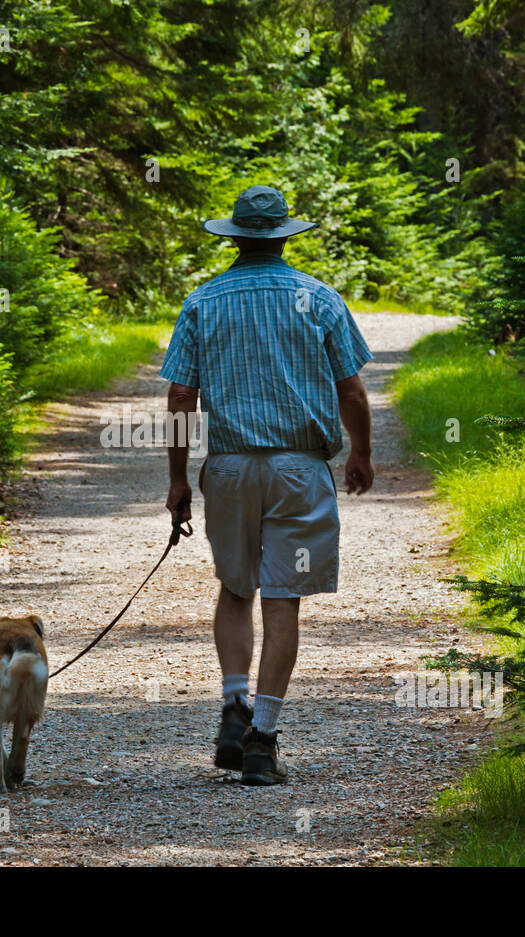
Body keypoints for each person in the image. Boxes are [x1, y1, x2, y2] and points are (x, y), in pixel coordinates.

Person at [161, 185, 375, 786]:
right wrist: (359, 451)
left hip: (229, 467)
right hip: (300, 471)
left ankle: (234, 703)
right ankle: (263, 741)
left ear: (233, 238)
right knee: (283, 600)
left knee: (236, 587)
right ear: (284, 236)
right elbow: (352, 391)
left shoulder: (203, 301)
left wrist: (179, 479)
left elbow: (181, 395)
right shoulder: (319, 298)